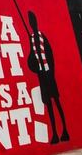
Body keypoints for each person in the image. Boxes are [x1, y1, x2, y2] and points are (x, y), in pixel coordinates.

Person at [27, 11, 69, 144]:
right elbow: (32, 56)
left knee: (56, 100)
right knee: (48, 104)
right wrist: (33, 64)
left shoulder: (41, 36)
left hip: (48, 73)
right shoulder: (31, 38)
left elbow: (49, 54)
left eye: (33, 20)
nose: (32, 23)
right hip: (41, 74)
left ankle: (65, 130)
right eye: (30, 21)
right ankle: (55, 133)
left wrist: (50, 71)